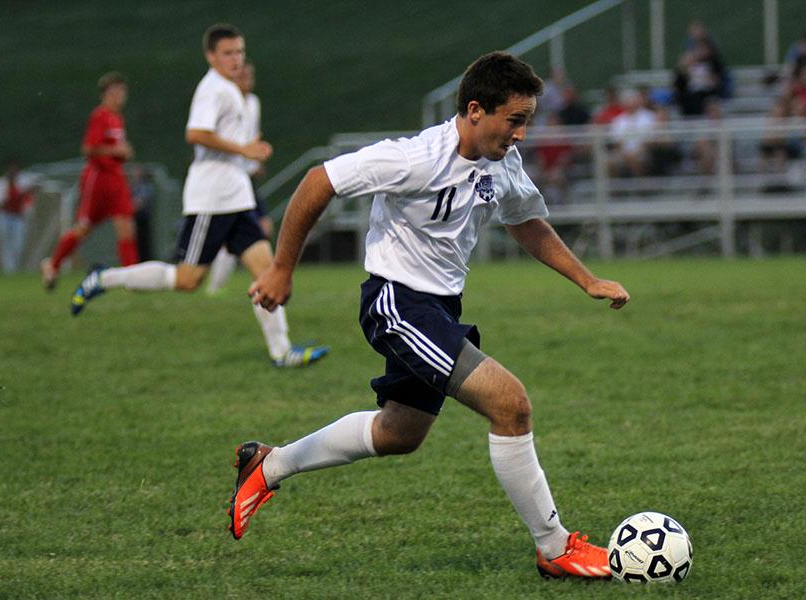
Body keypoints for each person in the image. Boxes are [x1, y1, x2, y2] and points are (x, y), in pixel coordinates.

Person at [229, 51, 630, 580]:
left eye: (527, 121)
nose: (521, 135)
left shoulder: (501, 163)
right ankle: (555, 549)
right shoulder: (415, 157)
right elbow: (317, 181)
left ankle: (269, 463)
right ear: (475, 110)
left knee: (401, 432)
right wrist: (281, 267)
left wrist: (587, 279)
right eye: (514, 120)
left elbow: (526, 221)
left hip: (439, 308)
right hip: (395, 302)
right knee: (510, 404)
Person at [69, 24, 327, 368]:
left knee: (267, 272)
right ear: (210, 56)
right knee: (188, 279)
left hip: (237, 198)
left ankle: (282, 352)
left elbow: (226, 142)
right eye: (228, 53)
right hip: (212, 200)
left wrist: (248, 155)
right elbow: (196, 133)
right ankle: (103, 278)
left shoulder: (233, 91)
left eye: (239, 52)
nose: (236, 59)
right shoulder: (213, 89)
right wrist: (244, 149)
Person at [41, 72, 138, 290]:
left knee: (126, 226)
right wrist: (117, 150)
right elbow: (88, 148)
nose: (119, 96)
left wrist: (123, 151)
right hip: (99, 180)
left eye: (122, 92)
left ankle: (132, 277)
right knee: (83, 228)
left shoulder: (117, 118)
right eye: (114, 92)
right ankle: (53, 265)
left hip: (116, 179)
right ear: (104, 95)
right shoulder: (100, 116)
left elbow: (114, 148)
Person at [206, 60, 273, 294]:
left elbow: (251, 136)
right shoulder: (226, 100)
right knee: (250, 229)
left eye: (250, 75)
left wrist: (255, 161)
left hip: (246, 175)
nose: (247, 80)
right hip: (230, 176)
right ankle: (216, 286)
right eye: (243, 75)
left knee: (259, 228)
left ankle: (220, 286)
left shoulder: (253, 102)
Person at [0, 159, 41, 273]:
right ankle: (8, 270)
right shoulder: (1, 183)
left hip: (19, 217)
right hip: (4, 216)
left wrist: (27, 191)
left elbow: (37, 184)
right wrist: (9, 199)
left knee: (19, 244)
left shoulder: (23, 181)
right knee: (5, 244)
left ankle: (15, 267)